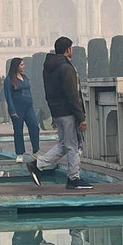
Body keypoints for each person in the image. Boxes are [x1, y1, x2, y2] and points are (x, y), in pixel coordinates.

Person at [26, 36, 92, 190]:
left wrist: (54, 114)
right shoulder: (66, 68)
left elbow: (49, 93)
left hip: (58, 112)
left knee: (64, 145)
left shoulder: (48, 68)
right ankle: (73, 178)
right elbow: (72, 94)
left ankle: (37, 165)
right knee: (73, 146)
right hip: (68, 112)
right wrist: (81, 117)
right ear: (68, 49)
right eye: (71, 48)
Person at [4, 57, 39, 161]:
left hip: (28, 107)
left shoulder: (25, 78)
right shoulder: (9, 80)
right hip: (17, 108)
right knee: (18, 130)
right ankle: (19, 153)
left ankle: (36, 151)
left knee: (34, 127)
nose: (24, 66)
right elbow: (8, 96)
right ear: (16, 66)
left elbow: (29, 92)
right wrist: (12, 110)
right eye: (22, 65)